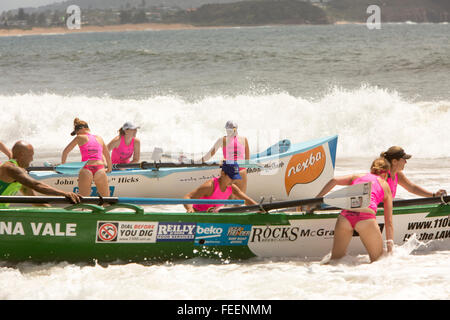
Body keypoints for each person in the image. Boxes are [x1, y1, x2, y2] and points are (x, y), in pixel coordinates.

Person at [316, 157, 394, 263]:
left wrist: (317, 199)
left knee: (335, 261)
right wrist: (390, 248)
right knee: (379, 262)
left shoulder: (356, 176)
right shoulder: (385, 185)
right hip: (366, 220)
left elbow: (334, 180)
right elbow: (388, 222)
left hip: (345, 217)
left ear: (372, 169)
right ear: (385, 174)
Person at [0, 141, 80, 208]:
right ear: (21, 154)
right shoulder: (11, 168)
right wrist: (64, 193)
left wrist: (55, 213)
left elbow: (34, 200)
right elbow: (37, 185)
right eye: (30, 155)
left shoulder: (19, 174)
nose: (32, 159)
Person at [61, 118, 112, 197]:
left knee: (84, 200)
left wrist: (63, 167)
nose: (77, 134)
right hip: (100, 169)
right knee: (106, 199)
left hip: (86, 169)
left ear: (80, 130)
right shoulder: (99, 138)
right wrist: (109, 168)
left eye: (76, 132)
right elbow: (107, 155)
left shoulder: (79, 137)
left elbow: (65, 152)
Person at [184, 161, 257, 213]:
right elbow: (188, 197)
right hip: (198, 218)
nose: (233, 180)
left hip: (211, 218)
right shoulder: (210, 186)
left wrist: (259, 208)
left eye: (235, 177)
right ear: (223, 173)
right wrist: (190, 209)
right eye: (231, 177)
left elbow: (246, 200)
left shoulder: (232, 188)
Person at [200, 121, 250, 193]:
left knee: (227, 199)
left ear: (226, 129)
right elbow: (247, 160)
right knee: (241, 199)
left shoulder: (222, 140)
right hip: (241, 170)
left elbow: (209, 155)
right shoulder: (244, 139)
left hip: (228, 170)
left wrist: (197, 161)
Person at [380, 146, 446, 199]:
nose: (406, 162)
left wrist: (434, 195)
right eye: (404, 159)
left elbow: (412, 188)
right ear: (394, 161)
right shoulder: (382, 175)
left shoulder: (397, 174)